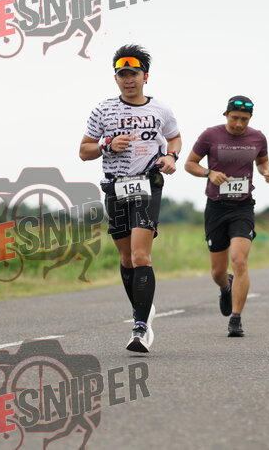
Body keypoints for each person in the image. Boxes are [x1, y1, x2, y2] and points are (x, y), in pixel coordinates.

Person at [80, 44, 181, 353]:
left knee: (140, 256)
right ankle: (143, 308)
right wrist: (107, 145)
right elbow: (84, 150)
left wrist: (171, 157)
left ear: (145, 76)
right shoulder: (102, 110)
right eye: (122, 75)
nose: (128, 80)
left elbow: (175, 137)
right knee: (126, 258)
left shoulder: (160, 109)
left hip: (148, 184)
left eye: (134, 74)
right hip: (115, 187)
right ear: (116, 78)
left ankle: (140, 327)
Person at [184, 96, 269, 337]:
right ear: (226, 115)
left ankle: (236, 319)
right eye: (234, 118)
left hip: (242, 207)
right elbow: (190, 164)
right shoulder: (210, 135)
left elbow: (263, 162)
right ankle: (226, 287)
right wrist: (208, 173)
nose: (239, 124)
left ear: (250, 118)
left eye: (244, 119)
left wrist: (266, 172)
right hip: (216, 207)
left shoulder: (257, 137)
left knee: (240, 260)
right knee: (217, 272)